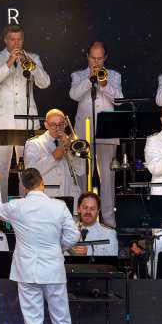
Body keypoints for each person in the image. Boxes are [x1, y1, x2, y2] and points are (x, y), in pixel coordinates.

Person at [0, 166, 80, 324]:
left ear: (23, 187)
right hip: (53, 270)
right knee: (61, 319)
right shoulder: (58, 206)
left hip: (27, 271)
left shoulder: (17, 206)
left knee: (33, 321)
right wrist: (57, 248)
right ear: (42, 183)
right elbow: (73, 235)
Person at [0, 24, 52, 202]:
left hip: (27, 121)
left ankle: (28, 208)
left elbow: (45, 83)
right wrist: (9, 62)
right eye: (12, 39)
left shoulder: (33, 58)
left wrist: (30, 64)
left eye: (19, 39)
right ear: (5, 40)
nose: (16, 43)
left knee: (29, 169)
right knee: (0, 170)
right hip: (2, 122)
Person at [69, 41, 123, 222]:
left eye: (100, 58)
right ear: (87, 57)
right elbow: (74, 95)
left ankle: (108, 220)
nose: (96, 62)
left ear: (105, 58)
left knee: (107, 178)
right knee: (83, 176)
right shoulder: (78, 75)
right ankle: (83, 220)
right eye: (93, 58)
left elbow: (119, 100)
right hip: (83, 133)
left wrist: (105, 84)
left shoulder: (114, 75)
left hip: (107, 133)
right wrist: (89, 79)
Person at [24, 109, 87, 201]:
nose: (57, 128)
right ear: (46, 125)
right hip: (46, 197)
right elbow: (31, 173)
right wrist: (53, 157)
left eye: (61, 124)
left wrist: (71, 151)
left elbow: (81, 170)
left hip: (70, 196)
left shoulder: (72, 143)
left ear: (65, 124)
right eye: (53, 124)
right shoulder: (34, 143)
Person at [66, 192, 118, 258]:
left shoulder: (109, 234)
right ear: (78, 209)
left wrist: (88, 253)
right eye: (85, 208)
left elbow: (112, 260)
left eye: (92, 209)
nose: (88, 212)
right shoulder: (67, 232)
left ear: (98, 211)